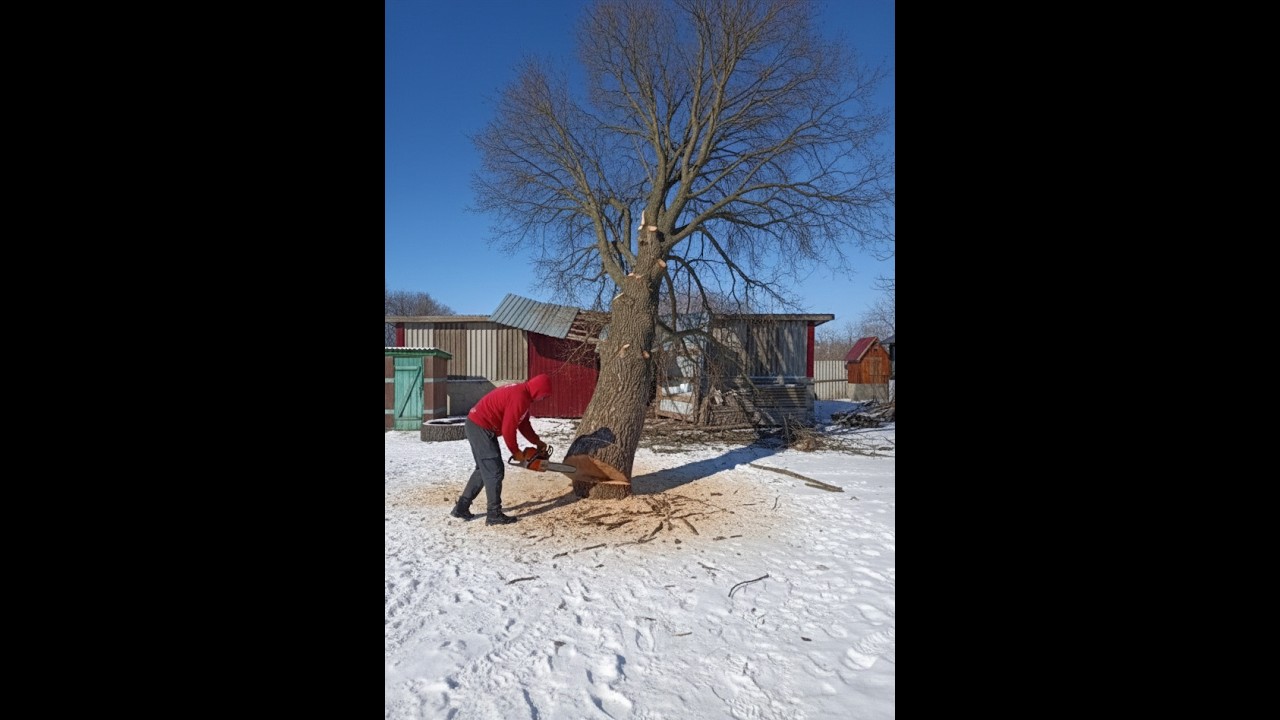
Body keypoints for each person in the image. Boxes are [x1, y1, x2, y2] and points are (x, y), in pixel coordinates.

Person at [451, 374, 553, 526]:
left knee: (483, 470)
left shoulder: (523, 394)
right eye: (544, 396)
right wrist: (516, 452)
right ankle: (494, 514)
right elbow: (508, 428)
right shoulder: (520, 397)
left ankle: (461, 508)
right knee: (494, 470)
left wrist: (537, 441)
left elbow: (522, 424)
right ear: (539, 391)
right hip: (480, 427)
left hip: (478, 426)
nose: (542, 399)